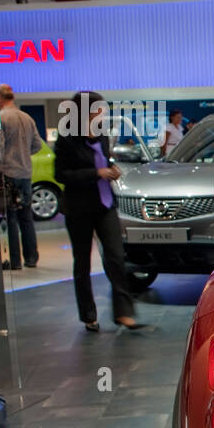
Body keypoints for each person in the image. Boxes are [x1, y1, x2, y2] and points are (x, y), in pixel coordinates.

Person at [54, 91, 141, 332]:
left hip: (105, 204)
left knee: (115, 256)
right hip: (79, 208)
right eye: (98, 108)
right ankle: (88, 315)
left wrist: (111, 168)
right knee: (82, 262)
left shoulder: (101, 135)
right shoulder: (67, 139)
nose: (102, 112)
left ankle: (123, 312)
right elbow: (61, 175)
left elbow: (103, 161)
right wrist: (96, 174)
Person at [0, 84, 42, 270]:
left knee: (11, 218)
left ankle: (15, 261)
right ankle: (31, 258)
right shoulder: (27, 118)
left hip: (8, 173)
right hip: (25, 173)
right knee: (26, 217)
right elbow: (37, 145)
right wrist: (23, 154)